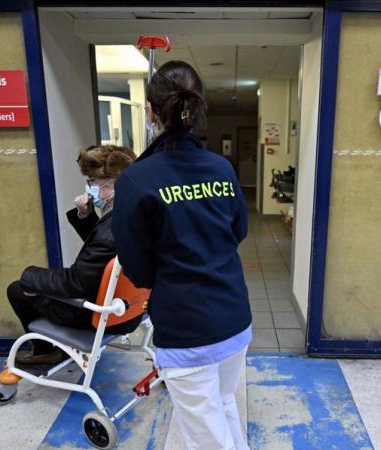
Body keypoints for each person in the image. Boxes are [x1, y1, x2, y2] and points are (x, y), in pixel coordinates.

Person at [112, 61, 252, 450]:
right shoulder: (221, 169)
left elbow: (136, 266)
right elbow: (238, 231)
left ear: (151, 112)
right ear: (198, 107)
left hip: (186, 327)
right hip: (234, 318)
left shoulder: (137, 180)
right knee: (223, 405)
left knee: (205, 435)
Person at [7, 144, 140, 366]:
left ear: (113, 182)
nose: (89, 188)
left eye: (93, 182)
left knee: (18, 290)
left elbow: (76, 283)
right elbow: (103, 251)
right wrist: (85, 215)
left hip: (102, 315)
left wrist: (29, 276)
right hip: (130, 309)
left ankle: (45, 351)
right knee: (39, 284)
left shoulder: (111, 229)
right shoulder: (134, 213)